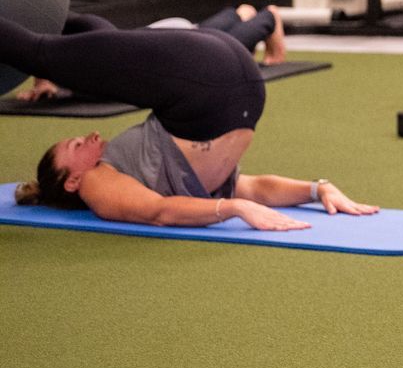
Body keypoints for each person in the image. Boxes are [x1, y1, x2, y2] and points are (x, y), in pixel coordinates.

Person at [4, 13, 374, 229]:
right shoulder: (93, 182)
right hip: (228, 85)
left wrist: (232, 209)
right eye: (76, 146)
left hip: (209, 83)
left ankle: (56, 17)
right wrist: (318, 189)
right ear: (71, 180)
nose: (90, 136)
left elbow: (161, 210)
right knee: (60, 52)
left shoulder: (103, 179)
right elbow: (254, 188)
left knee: (48, 54)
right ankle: (58, 22)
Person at [16, 4, 289, 103]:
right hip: (173, 34)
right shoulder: (72, 64)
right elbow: (44, 45)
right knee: (205, 29)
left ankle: (269, 17)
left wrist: (44, 78)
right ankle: (241, 13)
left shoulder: (101, 48)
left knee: (227, 48)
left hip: (185, 47)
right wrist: (43, 81)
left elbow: (63, 28)